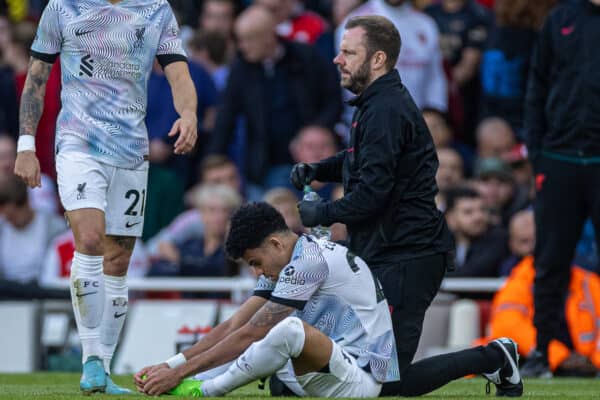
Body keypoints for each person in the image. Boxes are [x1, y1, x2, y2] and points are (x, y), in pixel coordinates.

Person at [134, 202, 523, 397]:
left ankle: (205, 391)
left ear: (273, 242)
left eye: (256, 263)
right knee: (272, 342)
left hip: (362, 371)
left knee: (283, 332)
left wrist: (185, 375)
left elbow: (251, 333)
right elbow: (235, 324)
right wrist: (170, 365)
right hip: (348, 357)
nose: (257, 272)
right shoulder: (294, 256)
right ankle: (493, 357)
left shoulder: (307, 263)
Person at [14, 0, 198, 394]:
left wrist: (189, 115)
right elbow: (36, 78)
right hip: (78, 143)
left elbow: (178, 74)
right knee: (91, 240)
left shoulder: (156, 10)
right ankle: (92, 359)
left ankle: (101, 365)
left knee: (118, 259)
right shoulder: (63, 7)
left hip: (132, 150)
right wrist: (26, 145)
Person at [292, 15, 455, 374]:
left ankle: (493, 357)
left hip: (408, 255)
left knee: (384, 377)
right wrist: (320, 170)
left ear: (377, 59)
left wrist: (324, 213)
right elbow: (360, 161)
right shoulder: (376, 104)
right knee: (367, 370)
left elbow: (373, 195)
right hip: (387, 253)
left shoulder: (385, 109)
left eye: (348, 52)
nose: (338, 60)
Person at [522, 0, 600, 377]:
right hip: (559, 157)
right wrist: (537, 154)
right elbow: (536, 84)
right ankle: (543, 349)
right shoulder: (560, 19)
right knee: (550, 261)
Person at [209, 5, 342, 190]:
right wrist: (212, 160)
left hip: (311, 156)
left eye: (248, 39)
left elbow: (333, 99)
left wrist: (316, 129)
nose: (242, 46)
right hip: (265, 163)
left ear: (268, 36)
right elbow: (226, 116)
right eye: (239, 40)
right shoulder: (240, 69)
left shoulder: (307, 57)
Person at [337, 0, 448, 112]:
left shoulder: (426, 24)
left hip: (418, 123)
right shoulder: (354, 26)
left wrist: (434, 117)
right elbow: (350, 88)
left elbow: (435, 81)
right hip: (371, 124)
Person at [445, 186, 509, 277]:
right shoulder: (443, 243)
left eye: (482, 210)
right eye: (468, 212)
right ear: (450, 219)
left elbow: (472, 272)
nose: (478, 217)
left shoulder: (498, 239)